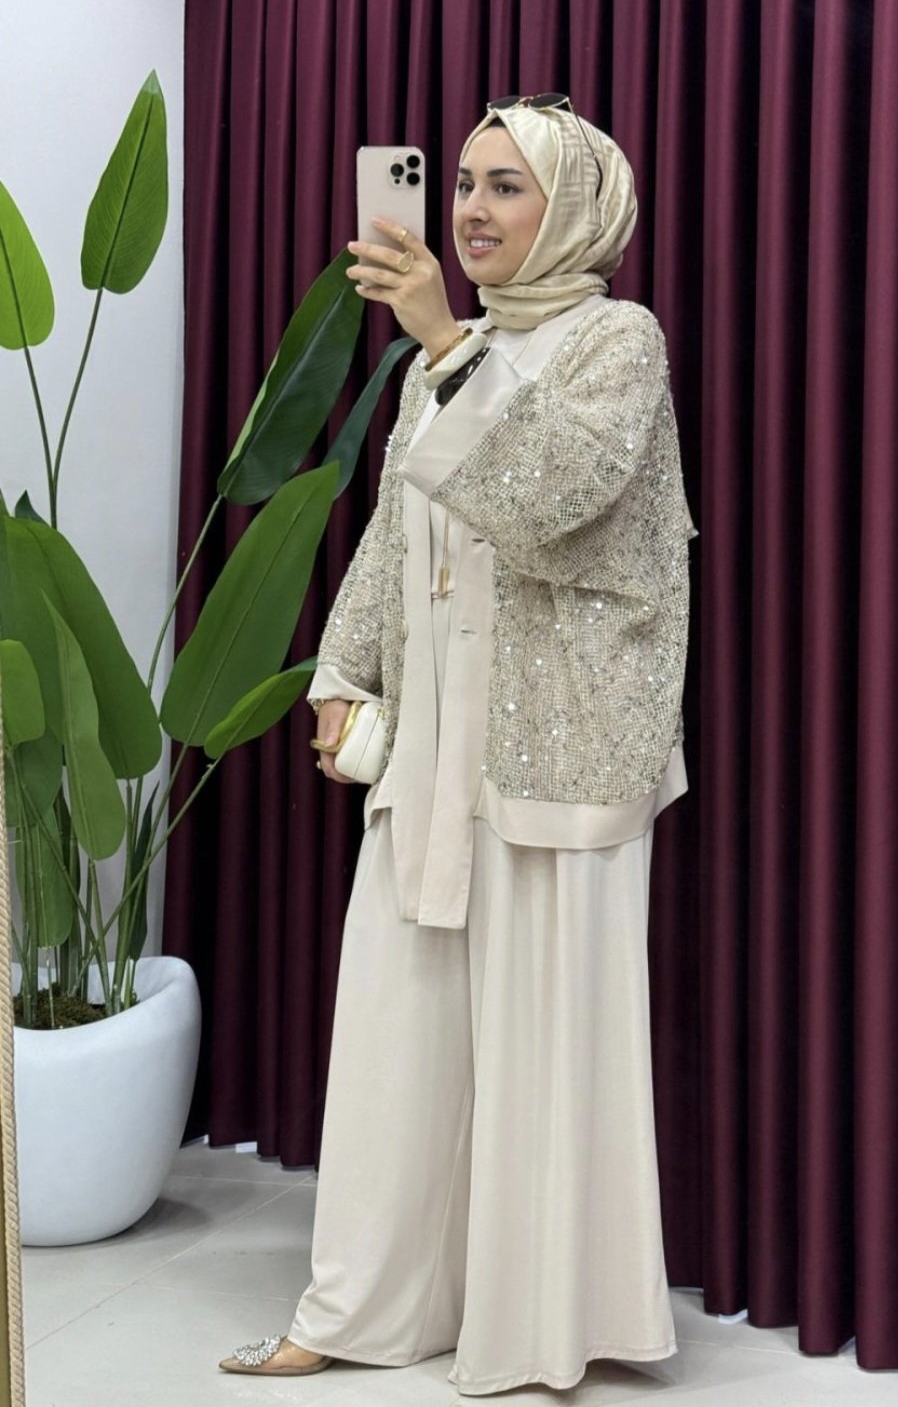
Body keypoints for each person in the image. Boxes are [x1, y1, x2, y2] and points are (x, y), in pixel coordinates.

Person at [218, 94, 696, 1396]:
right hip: (434, 747)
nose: (472, 211)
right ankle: (357, 1305)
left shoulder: (617, 342)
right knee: (397, 1030)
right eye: (466, 183)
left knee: (546, 1043)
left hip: (562, 751)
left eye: (505, 187)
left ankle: (538, 1327)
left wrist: (437, 342)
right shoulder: (462, 349)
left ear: (575, 207)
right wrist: (344, 668)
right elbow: (394, 524)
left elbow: (555, 499)